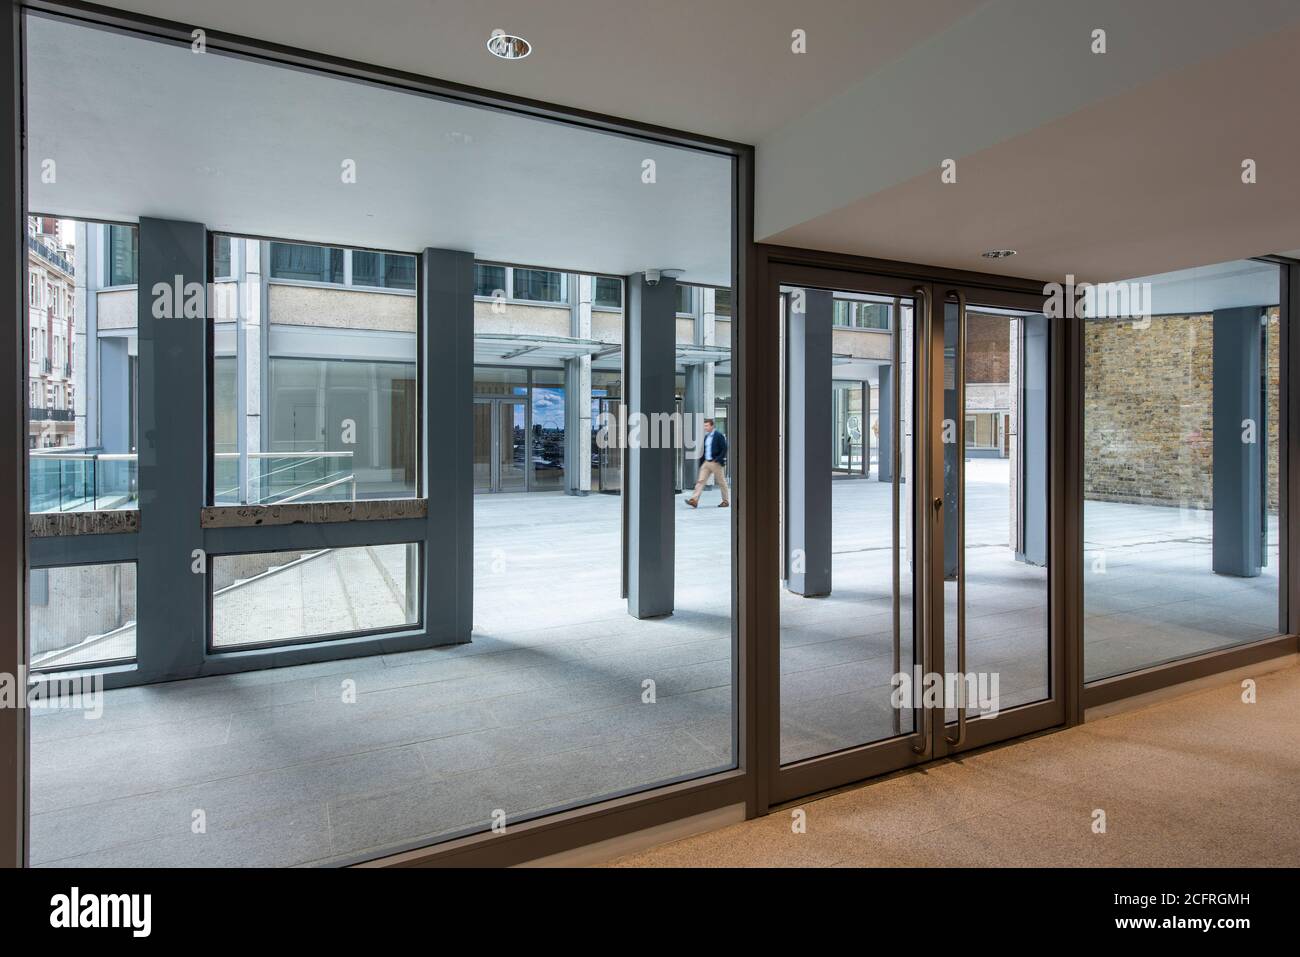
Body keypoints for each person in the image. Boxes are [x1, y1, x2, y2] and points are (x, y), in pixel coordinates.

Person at [686, 418, 729, 508]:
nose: (705, 427)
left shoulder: (719, 435)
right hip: (706, 462)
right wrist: (701, 463)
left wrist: (718, 459)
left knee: (721, 482)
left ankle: (725, 501)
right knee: (700, 481)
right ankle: (694, 500)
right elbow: (704, 450)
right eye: (704, 426)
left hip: (715, 462)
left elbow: (724, 448)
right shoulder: (707, 437)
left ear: (712, 426)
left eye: (707, 425)